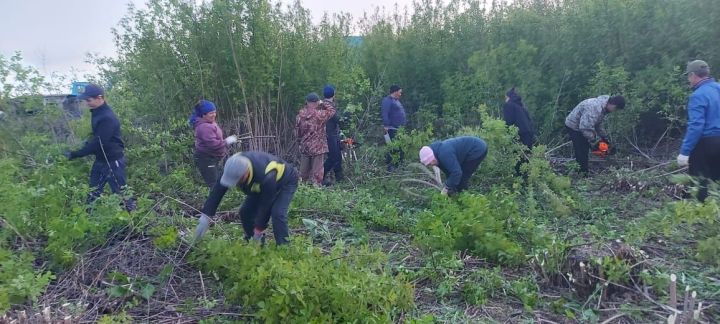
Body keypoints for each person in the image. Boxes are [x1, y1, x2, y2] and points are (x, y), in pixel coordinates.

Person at [194, 151, 299, 244]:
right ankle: (255, 244)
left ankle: (283, 247)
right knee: (245, 212)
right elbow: (217, 191)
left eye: (238, 180)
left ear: (246, 173)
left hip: (286, 181)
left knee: (278, 213)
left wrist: (259, 229)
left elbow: (266, 204)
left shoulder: (266, 175)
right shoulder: (232, 165)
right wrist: (205, 216)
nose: (235, 184)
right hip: (260, 185)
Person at [63, 84, 135, 211]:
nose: (87, 103)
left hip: (113, 161)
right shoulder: (97, 112)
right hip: (101, 160)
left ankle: (133, 223)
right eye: (86, 100)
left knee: (122, 195)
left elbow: (99, 143)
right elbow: (97, 136)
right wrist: (86, 142)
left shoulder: (107, 117)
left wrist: (75, 154)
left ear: (100, 98)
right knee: (92, 193)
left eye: (89, 100)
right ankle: (88, 222)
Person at [677, 60, 720, 202]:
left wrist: (685, 151)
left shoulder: (697, 95)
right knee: (716, 180)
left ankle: (699, 213)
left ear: (693, 75)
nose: (689, 80)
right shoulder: (718, 88)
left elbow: (696, 125)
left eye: (689, 76)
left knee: (700, 180)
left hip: (706, 143)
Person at [564, 95, 626, 174]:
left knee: (585, 148)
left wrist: (604, 138)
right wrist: (594, 141)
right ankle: (581, 173)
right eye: (615, 109)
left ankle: (582, 170)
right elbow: (584, 127)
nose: (614, 111)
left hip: (582, 126)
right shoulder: (594, 107)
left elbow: (597, 125)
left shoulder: (603, 107)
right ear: (613, 104)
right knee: (581, 150)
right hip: (573, 126)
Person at [188, 100, 237, 188]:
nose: (214, 115)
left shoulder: (209, 122)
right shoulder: (203, 127)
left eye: (214, 112)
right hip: (206, 159)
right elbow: (213, 145)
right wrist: (227, 141)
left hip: (213, 158)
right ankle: (214, 201)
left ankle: (221, 200)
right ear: (203, 115)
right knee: (214, 185)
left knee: (220, 181)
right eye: (211, 113)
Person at [419, 136, 488, 195]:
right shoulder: (437, 156)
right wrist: (448, 187)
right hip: (468, 153)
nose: (432, 165)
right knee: (455, 179)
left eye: (431, 162)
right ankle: (456, 197)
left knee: (463, 177)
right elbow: (449, 172)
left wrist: (446, 187)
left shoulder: (444, 154)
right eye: (429, 164)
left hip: (477, 149)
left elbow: (457, 172)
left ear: (432, 157)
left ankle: (464, 199)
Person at [296, 92, 336, 186]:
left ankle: (302, 190)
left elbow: (298, 133)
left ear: (306, 102)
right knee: (317, 174)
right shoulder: (319, 115)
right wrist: (323, 102)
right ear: (317, 102)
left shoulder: (300, 115)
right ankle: (316, 191)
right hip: (318, 147)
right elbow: (332, 111)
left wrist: (299, 143)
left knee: (303, 173)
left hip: (305, 147)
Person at [381, 85, 407, 172]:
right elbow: (385, 113)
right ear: (395, 92)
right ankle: (390, 167)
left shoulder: (396, 101)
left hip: (399, 129)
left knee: (400, 147)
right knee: (392, 147)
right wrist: (386, 125)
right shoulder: (387, 101)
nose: (400, 94)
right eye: (400, 92)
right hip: (391, 129)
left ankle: (399, 165)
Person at [322, 85, 343, 185]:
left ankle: (339, 178)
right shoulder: (329, 106)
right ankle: (321, 176)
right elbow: (337, 119)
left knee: (337, 156)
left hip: (330, 134)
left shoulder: (322, 104)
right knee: (334, 157)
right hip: (330, 135)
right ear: (333, 94)